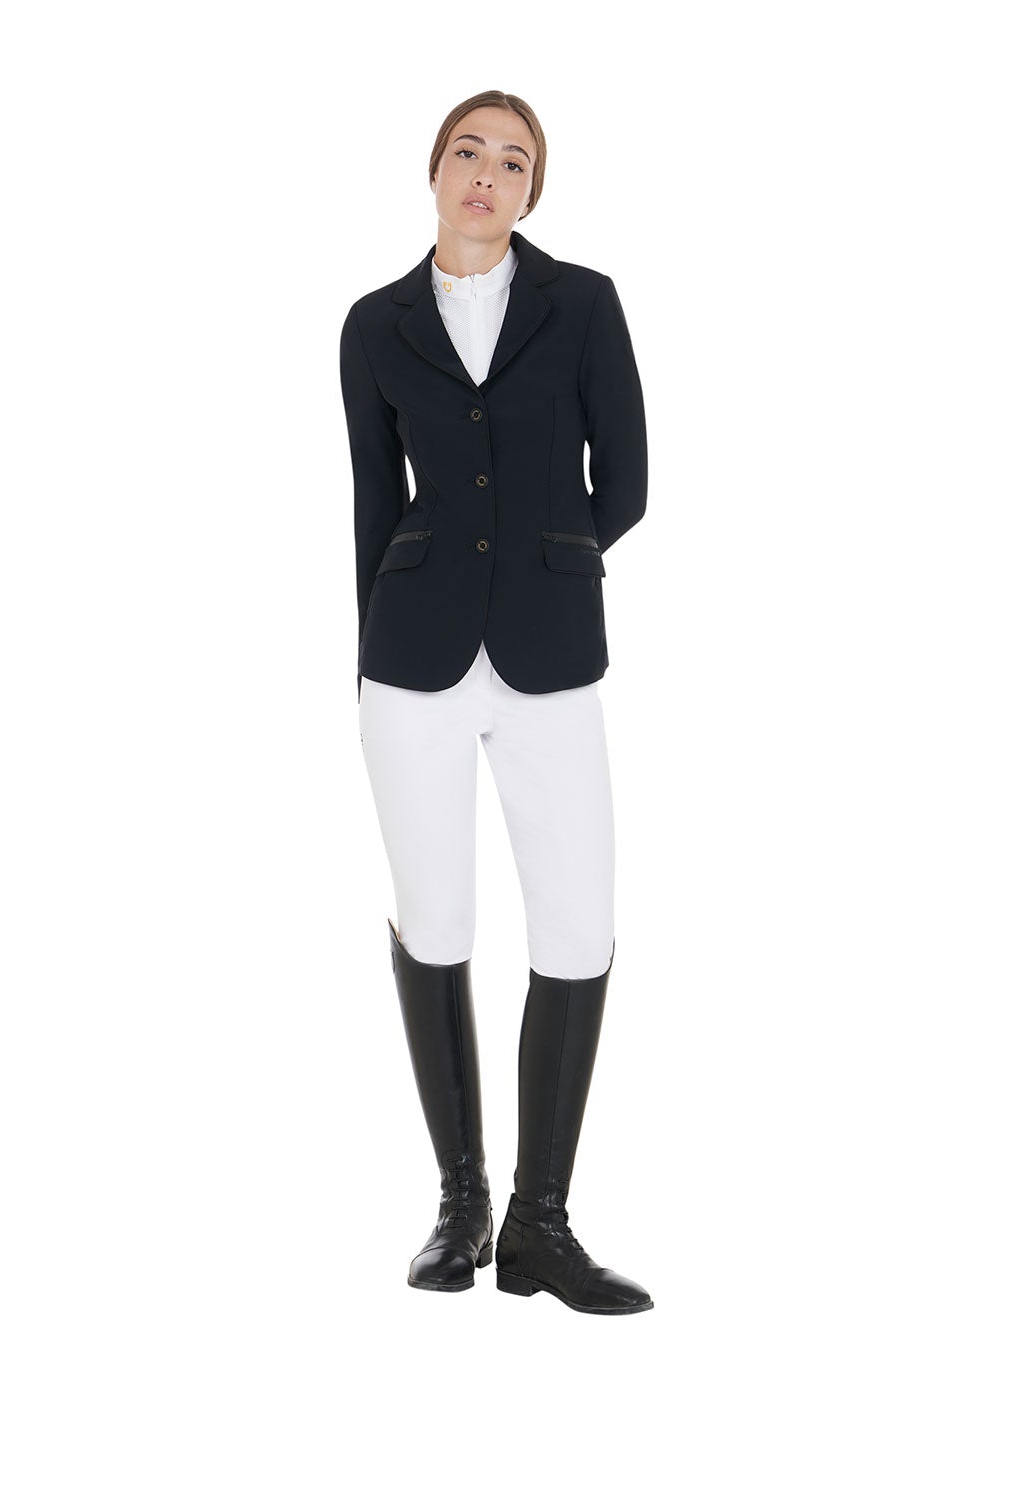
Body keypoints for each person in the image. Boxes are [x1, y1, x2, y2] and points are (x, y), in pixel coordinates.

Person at [339, 91, 652, 1315]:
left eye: (513, 161)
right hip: (410, 659)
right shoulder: (373, 325)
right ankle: (461, 1206)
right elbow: (375, 504)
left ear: (532, 192)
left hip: (549, 649)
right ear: (434, 170)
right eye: (468, 150)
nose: (487, 172)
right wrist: (363, 659)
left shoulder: (585, 304)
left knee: (576, 925)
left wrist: (547, 559)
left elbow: (627, 481)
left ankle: (541, 1226)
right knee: (437, 918)